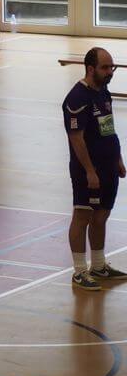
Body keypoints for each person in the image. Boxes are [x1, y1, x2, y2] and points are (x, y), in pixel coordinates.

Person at [63, 47, 127, 291]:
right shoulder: (77, 98)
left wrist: (118, 158)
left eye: (112, 67)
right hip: (87, 170)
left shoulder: (103, 92)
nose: (110, 72)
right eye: (105, 67)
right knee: (83, 216)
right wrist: (89, 170)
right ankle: (80, 271)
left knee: (102, 215)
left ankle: (98, 266)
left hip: (108, 166)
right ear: (90, 69)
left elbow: (109, 127)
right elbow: (76, 138)